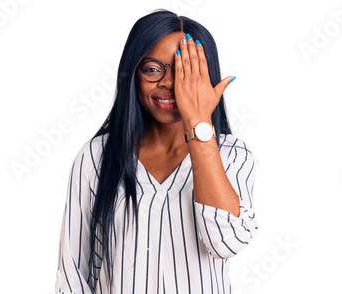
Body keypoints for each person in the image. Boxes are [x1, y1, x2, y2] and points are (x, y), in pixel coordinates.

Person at [55, 9, 258, 294]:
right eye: (152, 69)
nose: (169, 82)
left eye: (185, 71)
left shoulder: (233, 154)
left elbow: (225, 243)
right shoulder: (96, 157)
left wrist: (199, 125)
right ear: (133, 74)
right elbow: (72, 276)